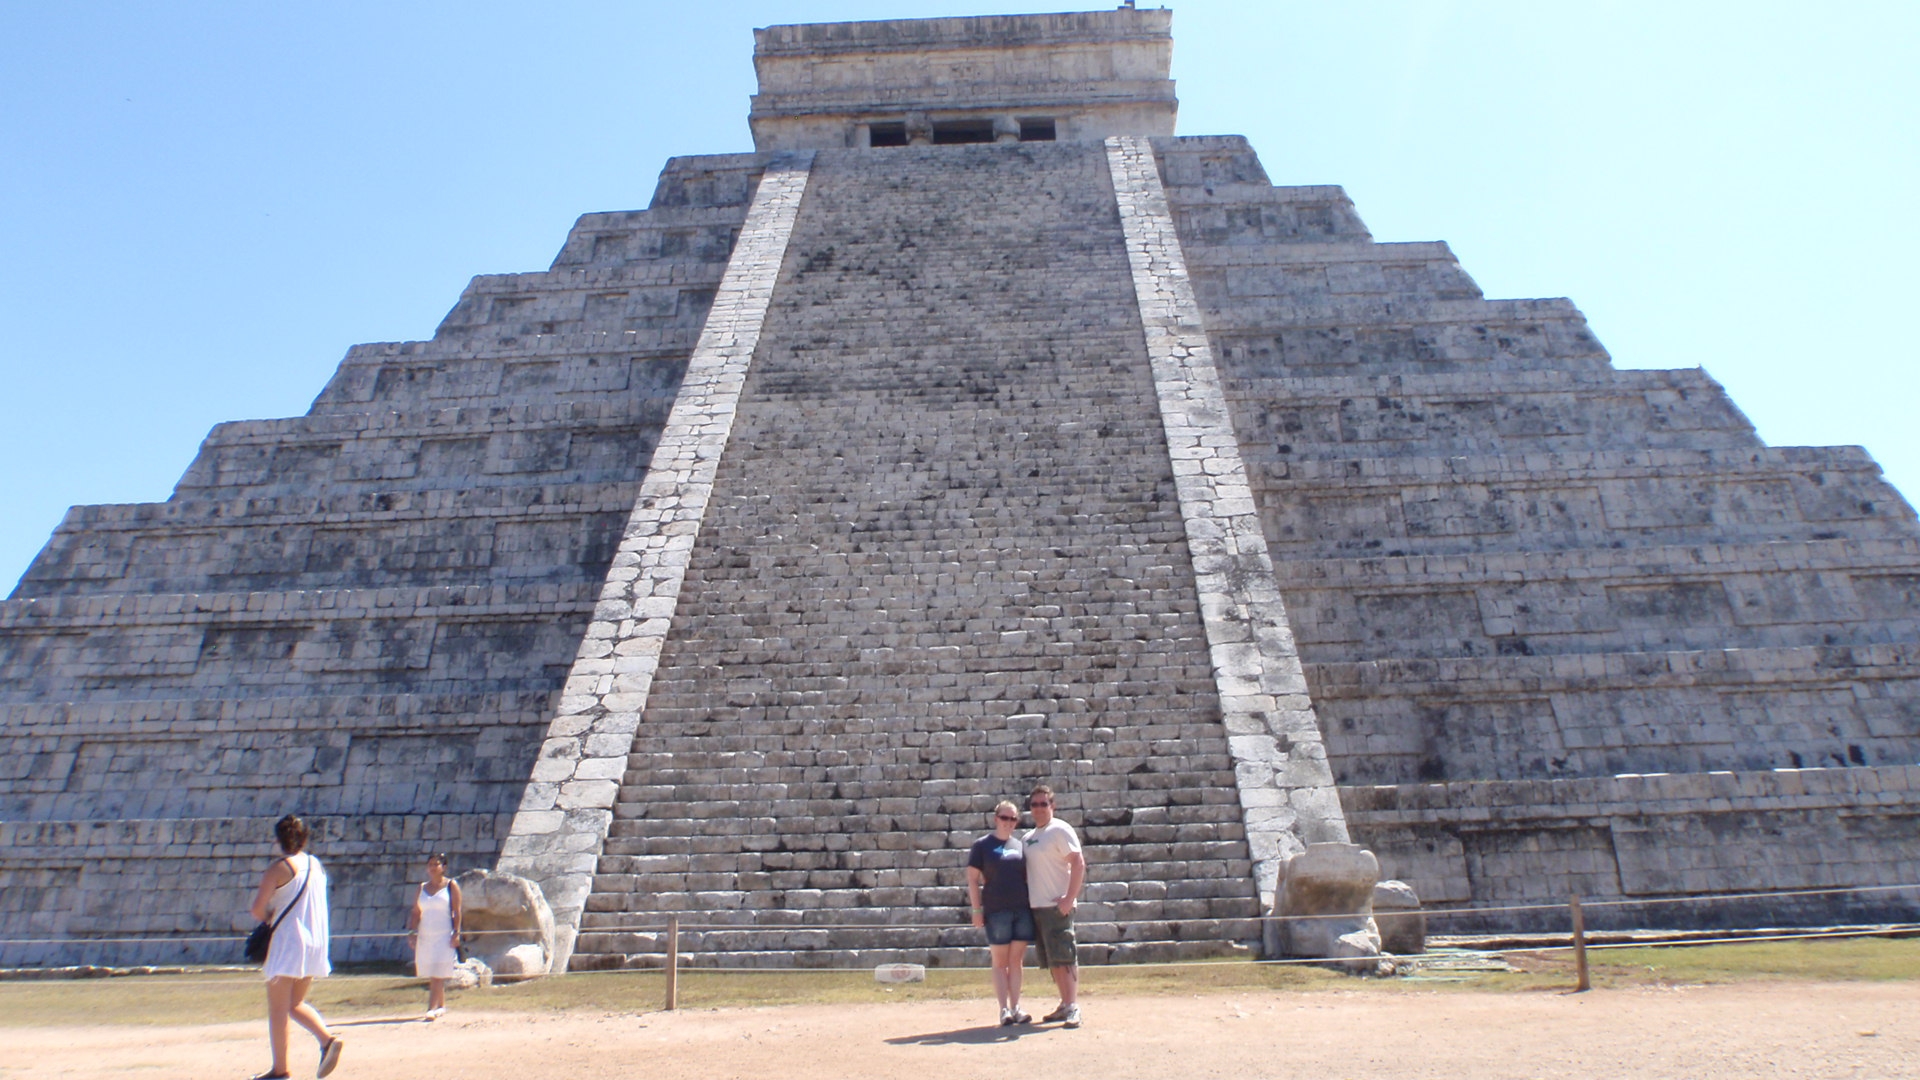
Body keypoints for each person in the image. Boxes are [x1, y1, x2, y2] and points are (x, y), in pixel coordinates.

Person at [247, 813, 343, 1080]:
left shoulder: (278, 869)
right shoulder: (315, 865)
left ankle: (281, 1070)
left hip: (287, 943)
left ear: (278, 839)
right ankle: (327, 1041)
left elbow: (257, 909)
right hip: (314, 942)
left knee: (278, 1010)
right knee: (295, 1003)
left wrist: (270, 917)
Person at [966, 800, 1034, 1026]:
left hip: (1021, 909)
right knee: (999, 961)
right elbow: (973, 880)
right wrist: (976, 909)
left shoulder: (1020, 845)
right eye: (1005, 818)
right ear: (996, 819)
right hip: (996, 910)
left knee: (1016, 961)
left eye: (1013, 818)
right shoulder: (982, 846)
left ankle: (1016, 1007)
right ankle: (1003, 1009)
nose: (1009, 822)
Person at [1024, 784, 1085, 1028]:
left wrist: (1069, 898)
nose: (1039, 808)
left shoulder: (1059, 829)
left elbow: (1078, 862)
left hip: (1058, 905)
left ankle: (1073, 1005)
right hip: (1038, 906)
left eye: (1044, 804)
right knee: (1052, 959)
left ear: (1053, 805)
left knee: (1065, 956)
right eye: (1034, 804)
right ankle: (1064, 1002)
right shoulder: (1028, 838)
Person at [407, 853, 464, 1018]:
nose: (432, 868)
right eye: (430, 864)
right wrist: (412, 932)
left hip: (444, 934)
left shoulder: (451, 885)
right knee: (432, 969)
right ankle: (441, 1006)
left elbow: (457, 911)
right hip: (426, 934)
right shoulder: (422, 888)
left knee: (438, 971)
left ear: (443, 867)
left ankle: (431, 1007)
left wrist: (456, 933)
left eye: (436, 864)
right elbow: (416, 912)